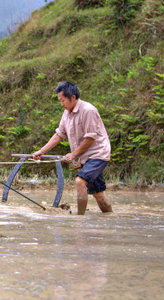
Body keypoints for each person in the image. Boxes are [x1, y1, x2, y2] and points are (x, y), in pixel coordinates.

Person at [33, 81, 113, 215]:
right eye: (60, 101)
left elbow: (90, 138)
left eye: (63, 100)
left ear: (73, 97)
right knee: (98, 193)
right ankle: (110, 217)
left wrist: (73, 154)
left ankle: (79, 218)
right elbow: (59, 134)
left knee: (80, 181)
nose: (61, 104)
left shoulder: (88, 110)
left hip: (98, 153)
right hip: (85, 157)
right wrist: (41, 151)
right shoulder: (66, 113)